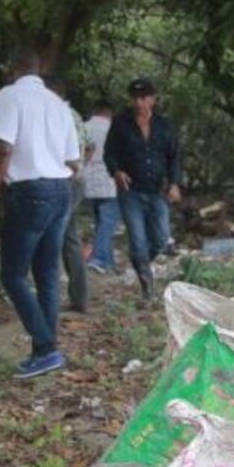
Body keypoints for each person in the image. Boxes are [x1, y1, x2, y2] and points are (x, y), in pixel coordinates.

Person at [0, 47, 79, 379]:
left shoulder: (9, 96)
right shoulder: (58, 104)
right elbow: (74, 161)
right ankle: (46, 351)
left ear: (10, 69)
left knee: (13, 274)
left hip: (31, 192)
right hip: (61, 190)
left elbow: (2, 148)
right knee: (46, 273)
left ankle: (45, 347)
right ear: (40, 69)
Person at [103, 77, 182, 300]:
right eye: (135, 98)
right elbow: (109, 153)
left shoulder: (164, 125)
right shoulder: (120, 123)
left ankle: (140, 261)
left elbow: (174, 156)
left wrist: (174, 183)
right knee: (137, 240)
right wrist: (116, 171)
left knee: (160, 238)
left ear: (153, 100)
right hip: (131, 192)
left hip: (158, 191)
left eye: (144, 98)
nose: (139, 103)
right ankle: (147, 287)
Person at [44, 76, 90, 313]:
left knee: (53, 236)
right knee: (69, 239)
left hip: (65, 181)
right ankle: (79, 297)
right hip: (76, 180)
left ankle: (49, 298)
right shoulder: (75, 114)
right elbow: (88, 147)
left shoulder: (57, 115)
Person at [81, 101, 119, 273]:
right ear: (109, 113)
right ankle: (98, 259)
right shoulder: (113, 128)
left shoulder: (83, 127)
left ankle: (108, 263)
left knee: (100, 223)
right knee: (108, 222)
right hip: (109, 181)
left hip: (86, 181)